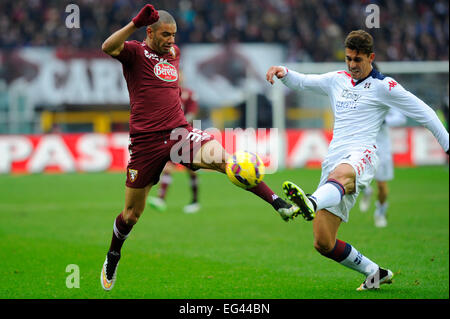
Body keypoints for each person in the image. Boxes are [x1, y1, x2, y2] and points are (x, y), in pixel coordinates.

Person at [100, 4, 299, 291]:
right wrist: (134, 22)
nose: (171, 40)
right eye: (166, 35)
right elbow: (107, 47)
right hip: (145, 143)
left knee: (225, 159)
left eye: (174, 35)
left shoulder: (174, 54)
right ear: (150, 32)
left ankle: (277, 203)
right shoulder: (133, 51)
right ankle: (113, 254)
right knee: (131, 214)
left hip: (180, 133)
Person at [266, 30, 449, 291]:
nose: (352, 65)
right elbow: (304, 81)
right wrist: (283, 71)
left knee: (340, 176)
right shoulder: (337, 80)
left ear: (371, 57)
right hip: (333, 161)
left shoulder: (384, 86)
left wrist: (448, 145)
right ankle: (375, 272)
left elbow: (425, 113)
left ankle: (311, 200)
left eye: (358, 59)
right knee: (323, 242)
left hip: (362, 156)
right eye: (348, 58)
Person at [148, 83, 201, 214]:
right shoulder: (168, 92)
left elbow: (192, 113)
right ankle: (161, 199)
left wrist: (179, 122)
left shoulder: (189, 93)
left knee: (191, 170)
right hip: (173, 135)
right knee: (168, 166)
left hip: (188, 135)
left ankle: (195, 201)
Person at [359, 108, 407, 227]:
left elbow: (401, 118)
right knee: (353, 177)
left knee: (381, 185)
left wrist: (383, 120)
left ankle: (380, 212)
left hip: (382, 149)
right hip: (361, 146)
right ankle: (366, 191)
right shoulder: (359, 98)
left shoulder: (384, 98)